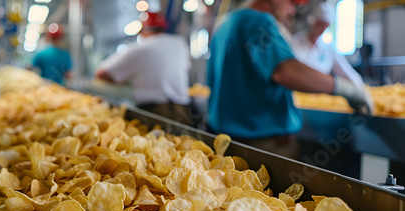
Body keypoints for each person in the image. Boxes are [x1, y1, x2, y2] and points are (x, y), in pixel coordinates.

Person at [206, 0, 373, 158]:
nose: (292, 10)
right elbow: (286, 71)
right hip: (263, 145)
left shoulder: (224, 24)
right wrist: (345, 89)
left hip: (225, 140)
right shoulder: (259, 21)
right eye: (291, 3)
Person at [95, 12, 192, 126]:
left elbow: (101, 73)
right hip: (183, 110)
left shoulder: (139, 49)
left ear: (142, 30)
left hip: (154, 112)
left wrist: (125, 82)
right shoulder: (179, 43)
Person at [291, 2, 365, 88]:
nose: (322, 29)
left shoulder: (328, 47)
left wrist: (360, 86)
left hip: (320, 92)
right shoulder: (294, 42)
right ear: (313, 22)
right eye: (320, 24)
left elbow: (345, 70)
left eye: (326, 26)